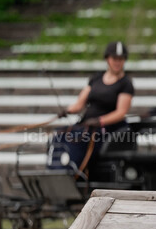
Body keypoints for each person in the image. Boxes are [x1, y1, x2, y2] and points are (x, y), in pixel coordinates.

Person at [56, 40, 135, 170]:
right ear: (107, 59)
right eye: (114, 58)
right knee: (59, 134)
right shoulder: (96, 79)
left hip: (107, 129)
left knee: (79, 139)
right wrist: (67, 111)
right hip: (87, 125)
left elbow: (121, 112)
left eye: (121, 59)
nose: (117, 62)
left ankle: (72, 172)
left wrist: (100, 121)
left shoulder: (126, 83)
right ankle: (55, 169)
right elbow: (79, 104)